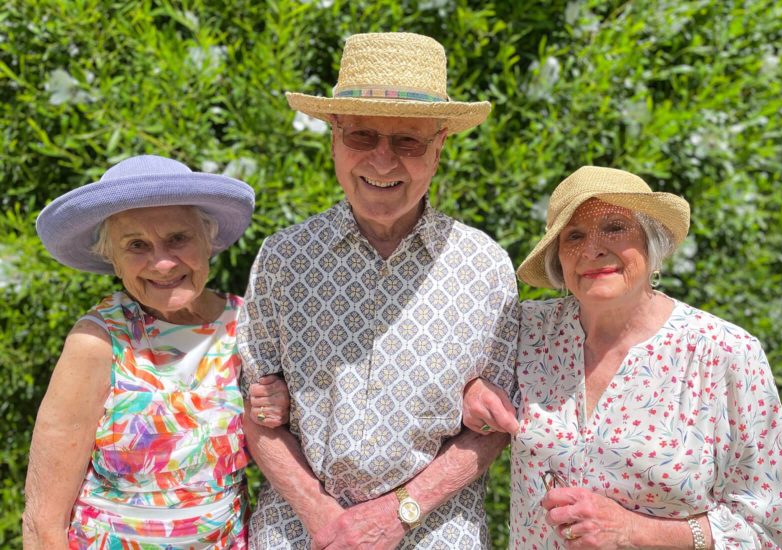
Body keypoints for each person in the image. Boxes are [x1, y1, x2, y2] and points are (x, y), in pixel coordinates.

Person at [238, 32, 520, 549]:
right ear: (333, 142)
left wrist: (400, 513)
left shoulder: (486, 268)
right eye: (362, 137)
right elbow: (254, 410)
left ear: (439, 148)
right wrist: (321, 514)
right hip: (300, 534)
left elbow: (493, 425)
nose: (383, 161)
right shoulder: (283, 259)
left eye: (408, 141)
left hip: (436, 534)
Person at [463, 166, 782, 549]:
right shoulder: (527, 332)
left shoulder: (724, 354)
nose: (593, 249)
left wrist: (633, 531)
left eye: (615, 228)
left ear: (653, 243)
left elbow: (771, 527)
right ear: (558, 257)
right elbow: (444, 375)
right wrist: (471, 388)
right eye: (574, 236)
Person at [24, 155, 288, 549]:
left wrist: (283, 407)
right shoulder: (97, 341)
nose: (162, 263)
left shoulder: (247, 325)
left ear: (208, 239)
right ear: (112, 259)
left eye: (178, 238)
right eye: (136, 245)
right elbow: (43, 521)